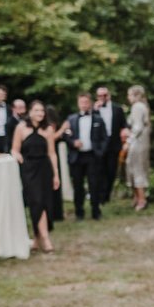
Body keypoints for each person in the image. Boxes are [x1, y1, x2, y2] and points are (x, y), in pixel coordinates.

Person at [12, 100, 60, 252]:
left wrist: (56, 175)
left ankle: (39, 238)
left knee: (44, 202)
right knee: (35, 202)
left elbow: (52, 153)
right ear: (30, 112)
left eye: (42, 111)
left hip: (45, 169)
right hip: (29, 170)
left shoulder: (49, 129)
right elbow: (14, 149)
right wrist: (17, 156)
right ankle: (44, 239)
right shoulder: (21, 128)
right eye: (37, 110)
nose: (40, 113)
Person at [64, 93, 108, 221]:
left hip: (92, 156)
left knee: (94, 184)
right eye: (81, 102)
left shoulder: (98, 119)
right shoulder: (71, 119)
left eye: (86, 102)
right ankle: (79, 212)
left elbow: (104, 138)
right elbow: (66, 136)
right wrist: (73, 143)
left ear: (90, 103)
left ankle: (96, 211)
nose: (84, 104)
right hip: (76, 157)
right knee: (78, 186)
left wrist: (100, 152)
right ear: (78, 104)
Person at [95, 86, 128, 204]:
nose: (102, 98)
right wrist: (94, 110)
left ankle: (107, 195)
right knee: (99, 171)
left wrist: (124, 131)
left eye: (105, 95)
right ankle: (100, 197)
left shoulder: (117, 109)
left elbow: (124, 124)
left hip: (114, 144)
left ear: (109, 95)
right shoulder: (94, 110)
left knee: (111, 170)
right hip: (99, 145)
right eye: (100, 95)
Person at [125, 85, 151, 211]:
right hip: (141, 142)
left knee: (136, 169)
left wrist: (128, 141)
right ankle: (137, 197)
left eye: (129, 95)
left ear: (136, 95)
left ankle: (141, 199)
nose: (128, 97)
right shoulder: (142, 106)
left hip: (138, 143)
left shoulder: (137, 107)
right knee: (133, 168)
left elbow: (138, 127)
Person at [45, 105, 67, 222]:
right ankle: (55, 213)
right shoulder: (49, 125)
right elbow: (52, 138)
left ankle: (56, 212)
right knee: (54, 182)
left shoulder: (47, 124)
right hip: (50, 153)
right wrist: (62, 129)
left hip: (52, 153)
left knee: (54, 182)